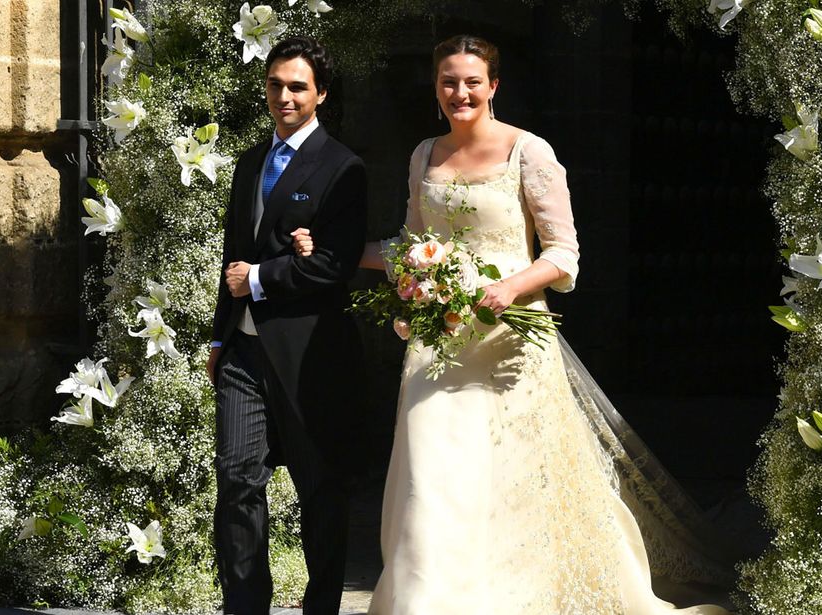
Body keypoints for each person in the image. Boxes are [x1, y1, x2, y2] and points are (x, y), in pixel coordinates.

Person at [293, 35, 733, 614]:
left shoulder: (530, 152)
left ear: (493, 86)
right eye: (448, 81)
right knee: (431, 476)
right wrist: (334, 252)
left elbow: (564, 254)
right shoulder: (424, 154)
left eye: (472, 81)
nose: (460, 93)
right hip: (439, 340)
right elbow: (412, 246)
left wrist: (509, 287)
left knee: (506, 484)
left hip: (511, 343)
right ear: (436, 87)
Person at [207, 36, 367, 615]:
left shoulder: (343, 167)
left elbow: (334, 265)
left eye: (297, 86)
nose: (284, 96)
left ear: (320, 93)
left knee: (319, 490)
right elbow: (230, 253)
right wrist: (221, 337)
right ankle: (245, 607)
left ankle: (320, 606)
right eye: (275, 84)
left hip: (308, 357)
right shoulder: (251, 160)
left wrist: (261, 278)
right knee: (237, 480)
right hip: (244, 357)